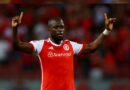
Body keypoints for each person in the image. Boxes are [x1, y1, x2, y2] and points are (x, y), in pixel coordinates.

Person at [11, 12, 116, 90]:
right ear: (49, 29)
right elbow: (17, 46)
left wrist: (106, 30)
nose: (60, 30)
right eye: (56, 27)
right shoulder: (41, 45)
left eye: (62, 27)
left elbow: (92, 47)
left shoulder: (70, 45)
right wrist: (15, 29)